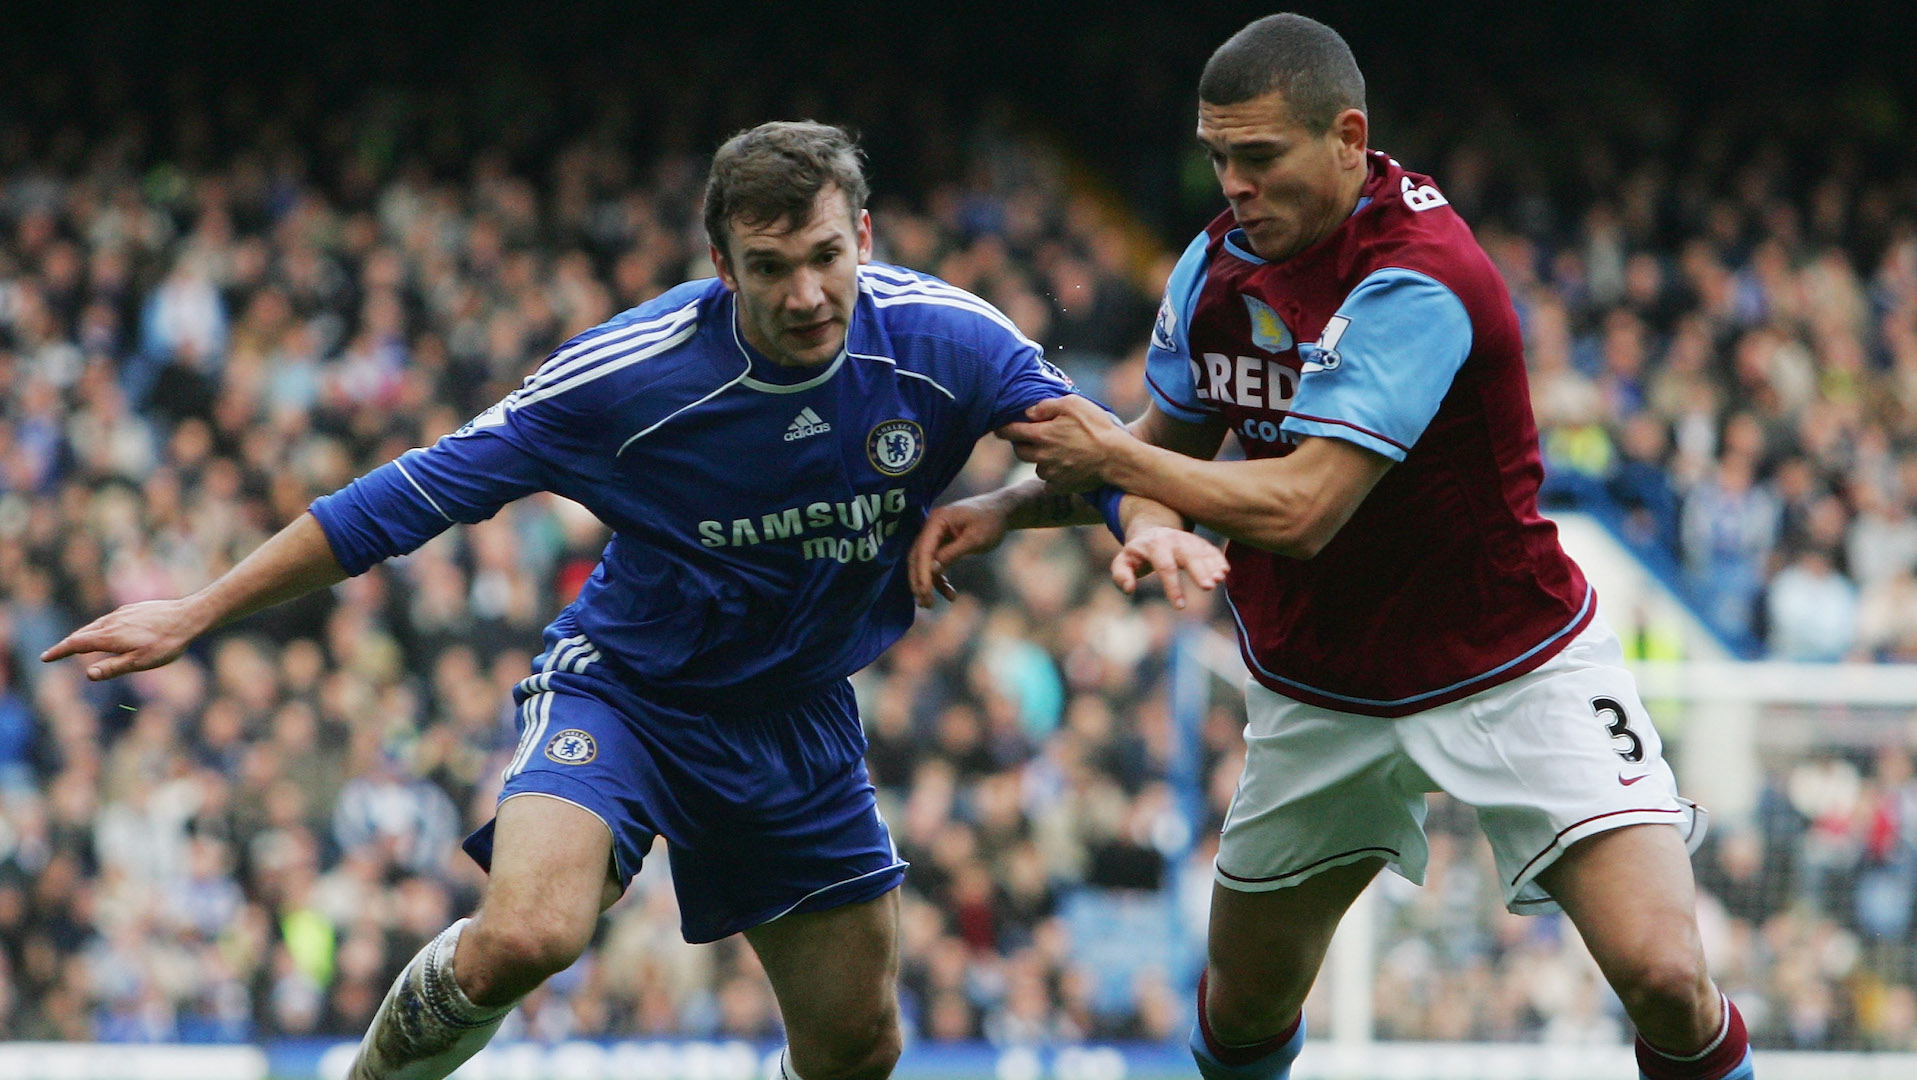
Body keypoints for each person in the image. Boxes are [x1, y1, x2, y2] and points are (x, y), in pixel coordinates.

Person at [43, 121, 1226, 1080]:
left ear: (863, 233)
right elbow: (403, 499)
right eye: (771, 268)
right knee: (527, 935)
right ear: (723, 267)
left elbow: (1095, 455)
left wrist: (1148, 530)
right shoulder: (633, 375)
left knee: (858, 1050)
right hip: (630, 689)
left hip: (798, 717)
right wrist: (197, 610)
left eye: (826, 255)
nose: (809, 293)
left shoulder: (946, 343)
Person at [911, 15, 1752, 1080]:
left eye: (1259, 157)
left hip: (1512, 666)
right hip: (1318, 692)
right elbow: (1159, 455)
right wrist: (1008, 510)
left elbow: (1303, 506)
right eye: (1218, 157)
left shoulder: (1420, 275)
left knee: (1667, 976)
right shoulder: (1215, 270)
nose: (1232, 186)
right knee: (1243, 1011)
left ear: (1349, 139)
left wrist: (1126, 475)